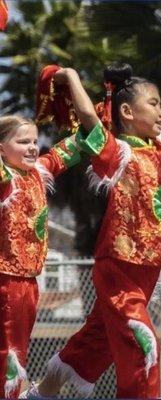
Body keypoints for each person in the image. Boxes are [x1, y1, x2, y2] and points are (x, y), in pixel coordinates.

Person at [34, 63, 161, 398]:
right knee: (143, 343)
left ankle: (41, 392)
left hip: (148, 271)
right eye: (153, 103)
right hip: (118, 267)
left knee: (99, 338)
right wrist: (74, 78)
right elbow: (90, 121)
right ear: (126, 111)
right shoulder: (117, 152)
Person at [0, 115, 81, 398]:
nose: (33, 147)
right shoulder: (3, 177)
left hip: (29, 285)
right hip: (4, 281)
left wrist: (105, 105)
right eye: (23, 141)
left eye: (35, 141)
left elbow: (76, 145)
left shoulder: (38, 173)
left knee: (17, 352)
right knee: (6, 354)